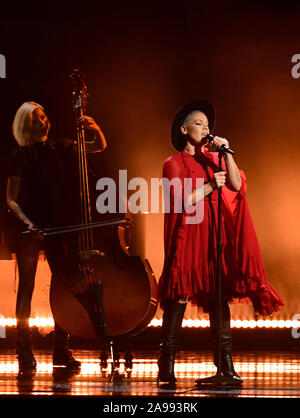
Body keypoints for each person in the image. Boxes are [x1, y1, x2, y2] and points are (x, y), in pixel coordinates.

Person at [157, 99, 284, 386]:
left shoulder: (213, 160)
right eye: (199, 123)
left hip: (212, 234)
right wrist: (211, 186)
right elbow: (178, 201)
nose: (206, 128)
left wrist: (225, 152)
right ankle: (166, 363)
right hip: (187, 234)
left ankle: (225, 364)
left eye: (208, 125)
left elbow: (237, 185)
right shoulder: (172, 163)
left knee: (217, 296)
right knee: (179, 294)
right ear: (184, 129)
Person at [6, 101, 107, 371]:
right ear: (26, 125)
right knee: (26, 287)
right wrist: (29, 223)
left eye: (44, 116)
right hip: (27, 228)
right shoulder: (20, 155)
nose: (43, 122)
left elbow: (97, 147)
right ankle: (24, 351)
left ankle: (61, 350)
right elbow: (11, 200)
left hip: (55, 225)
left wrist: (94, 128)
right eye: (36, 119)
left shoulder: (60, 147)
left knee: (62, 287)